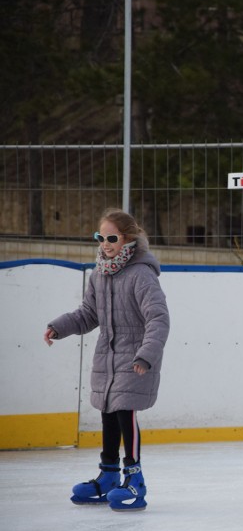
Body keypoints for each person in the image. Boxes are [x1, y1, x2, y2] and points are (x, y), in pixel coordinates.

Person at [44, 208, 169, 512]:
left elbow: (158, 318)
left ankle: (135, 479)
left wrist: (146, 355)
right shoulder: (100, 273)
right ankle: (109, 475)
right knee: (108, 413)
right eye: (100, 237)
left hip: (134, 356)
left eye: (112, 237)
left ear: (127, 238)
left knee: (126, 413)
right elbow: (89, 314)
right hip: (107, 357)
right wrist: (59, 326)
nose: (105, 243)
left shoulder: (141, 273)